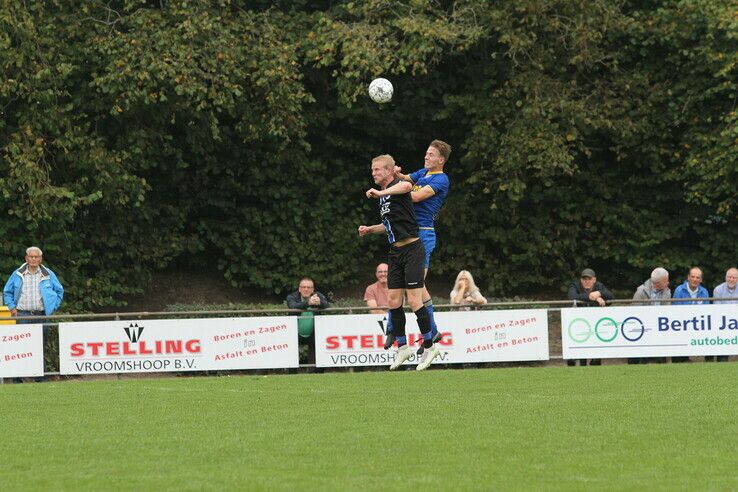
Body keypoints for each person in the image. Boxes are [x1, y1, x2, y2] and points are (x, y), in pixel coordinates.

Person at [358, 154, 440, 371]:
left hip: (413, 249)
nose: (373, 173)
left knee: (414, 301)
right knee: (393, 300)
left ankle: (430, 345)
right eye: (372, 170)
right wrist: (370, 229)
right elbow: (389, 226)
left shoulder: (397, 185)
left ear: (388, 171)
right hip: (395, 252)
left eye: (377, 170)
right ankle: (402, 346)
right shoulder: (384, 197)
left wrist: (382, 191)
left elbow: (406, 186)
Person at [392, 139, 452, 345]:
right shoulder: (423, 173)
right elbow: (404, 177)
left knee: (413, 290)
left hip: (423, 234)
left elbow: (416, 197)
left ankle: (420, 332)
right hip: (409, 232)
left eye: (431, 155)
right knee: (415, 286)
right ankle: (431, 331)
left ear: (441, 160)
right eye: (426, 153)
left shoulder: (441, 179)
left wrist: (390, 190)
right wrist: (395, 172)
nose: (426, 157)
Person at [566, 268, 614, 367]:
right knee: (579, 353)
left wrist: (599, 293)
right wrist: (593, 297)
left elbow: (611, 296)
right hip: (578, 323)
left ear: (594, 280)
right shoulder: (575, 285)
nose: (586, 281)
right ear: (581, 280)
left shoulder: (599, 286)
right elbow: (572, 297)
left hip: (596, 325)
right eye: (584, 279)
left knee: (596, 356)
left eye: (589, 279)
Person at [3, 246, 64, 323]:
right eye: (31, 256)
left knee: (42, 335)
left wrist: (53, 307)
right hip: (22, 315)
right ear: (26, 258)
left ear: (40, 259)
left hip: (42, 315)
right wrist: (12, 308)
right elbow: (7, 292)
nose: (33, 259)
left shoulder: (48, 274)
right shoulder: (17, 274)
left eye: (36, 257)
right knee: (23, 335)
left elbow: (60, 291)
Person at [285, 277, 330, 365]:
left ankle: (316, 374)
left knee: (318, 354)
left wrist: (319, 303)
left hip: (313, 332)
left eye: (309, 287)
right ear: (299, 289)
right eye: (303, 287)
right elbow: (292, 306)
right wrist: (308, 303)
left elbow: (327, 304)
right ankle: (292, 374)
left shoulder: (317, 295)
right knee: (291, 356)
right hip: (294, 332)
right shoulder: (292, 296)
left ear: (313, 289)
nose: (306, 289)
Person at [632, 267, 671, 364]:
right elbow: (635, 313)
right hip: (644, 328)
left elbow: (668, 311)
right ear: (658, 283)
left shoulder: (667, 291)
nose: (668, 282)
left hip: (660, 328)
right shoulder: (640, 292)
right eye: (666, 281)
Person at [708, 267, 738, 362]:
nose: (731, 279)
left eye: (734, 277)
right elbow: (718, 310)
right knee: (721, 334)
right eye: (729, 277)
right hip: (723, 323)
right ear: (725, 277)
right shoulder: (718, 289)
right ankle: (722, 359)